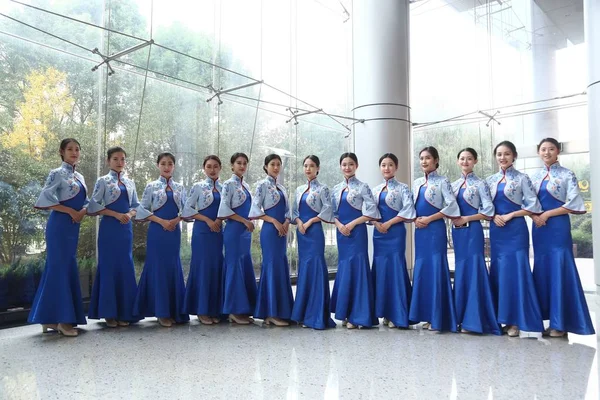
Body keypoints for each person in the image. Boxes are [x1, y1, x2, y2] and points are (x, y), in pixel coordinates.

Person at [530, 137, 595, 337]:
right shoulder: (534, 176)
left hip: (557, 226)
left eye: (551, 149)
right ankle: (545, 319)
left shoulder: (567, 174)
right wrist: (534, 215)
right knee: (543, 269)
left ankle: (560, 323)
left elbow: (574, 202)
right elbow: (526, 201)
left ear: (558, 151)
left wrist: (547, 214)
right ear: (538, 152)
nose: (547, 153)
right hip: (539, 228)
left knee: (560, 266)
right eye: (543, 149)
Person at [29, 138, 88, 337]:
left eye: (77, 149)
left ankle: (49, 319)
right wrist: (71, 212)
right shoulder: (56, 173)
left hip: (73, 227)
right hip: (60, 226)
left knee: (61, 268)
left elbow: (87, 201)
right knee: (60, 268)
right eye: (70, 149)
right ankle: (63, 321)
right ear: (61, 152)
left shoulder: (79, 176)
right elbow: (45, 198)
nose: (74, 152)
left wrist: (83, 211)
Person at [486, 140, 543, 337]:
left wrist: (511, 215)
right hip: (497, 231)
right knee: (500, 273)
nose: (503, 157)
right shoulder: (490, 180)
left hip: (516, 230)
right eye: (499, 154)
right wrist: (493, 216)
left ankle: (516, 321)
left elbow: (533, 205)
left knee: (516, 272)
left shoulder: (522, 178)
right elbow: (484, 206)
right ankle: (502, 318)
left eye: (507, 154)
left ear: (514, 156)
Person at [134, 152, 189, 327]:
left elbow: (187, 210)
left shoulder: (180, 187)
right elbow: (142, 210)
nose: (167, 167)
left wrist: (176, 220)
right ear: (158, 165)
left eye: (170, 164)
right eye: (163, 163)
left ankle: (174, 310)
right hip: (157, 232)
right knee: (157, 266)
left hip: (174, 232)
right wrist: (162, 221)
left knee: (173, 266)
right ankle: (161, 312)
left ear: (174, 166)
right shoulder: (151, 186)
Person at [87, 147, 140, 328]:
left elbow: (136, 206)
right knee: (109, 266)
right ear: (108, 161)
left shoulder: (130, 182)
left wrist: (130, 214)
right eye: (116, 159)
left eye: (123, 159)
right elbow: (93, 206)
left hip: (126, 229)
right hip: (109, 229)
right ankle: (109, 313)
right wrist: (116, 215)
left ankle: (125, 312)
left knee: (125, 266)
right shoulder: (103, 181)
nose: (119, 162)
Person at [451, 148, 500, 335]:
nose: (465, 161)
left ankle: (475, 320)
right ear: (458, 161)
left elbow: (488, 211)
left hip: (473, 230)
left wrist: (466, 218)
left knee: (474, 269)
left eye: (469, 159)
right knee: (462, 270)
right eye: (462, 158)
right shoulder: (452, 185)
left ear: (475, 161)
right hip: (457, 232)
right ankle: (459, 317)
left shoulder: (481, 184)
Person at [410, 146, 459, 332]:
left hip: (435, 229)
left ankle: (438, 317)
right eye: (421, 158)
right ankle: (425, 314)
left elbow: (452, 206)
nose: (424, 161)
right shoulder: (416, 183)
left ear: (436, 160)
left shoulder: (443, 182)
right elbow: (409, 207)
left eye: (428, 158)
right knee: (423, 269)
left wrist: (429, 219)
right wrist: (415, 218)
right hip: (420, 231)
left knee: (436, 267)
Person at [330, 152, 380, 329]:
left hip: (357, 232)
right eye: (344, 164)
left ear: (356, 166)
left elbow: (371, 211)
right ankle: (344, 312)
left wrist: (351, 224)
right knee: (345, 268)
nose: (347, 167)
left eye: (351, 164)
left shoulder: (363, 187)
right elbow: (331, 213)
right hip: (341, 233)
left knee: (357, 267)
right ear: (340, 166)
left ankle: (358, 315)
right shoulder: (335, 189)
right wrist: (339, 225)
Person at [290, 155, 336, 329]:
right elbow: (293, 211)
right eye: (305, 166)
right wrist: (300, 222)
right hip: (302, 233)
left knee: (316, 266)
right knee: (304, 268)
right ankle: (302, 314)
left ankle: (316, 315)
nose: (308, 169)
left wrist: (309, 222)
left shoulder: (323, 189)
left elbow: (327, 209)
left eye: (312, 166)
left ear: (318, 168)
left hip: (315, 232)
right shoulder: (299, 189)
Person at [371, 153, 416, 328]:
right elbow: (368, 210)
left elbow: (408, 209)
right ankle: (383, 312)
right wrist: (376, 223)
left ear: (396, 168)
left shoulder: (403, 188)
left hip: (395, 232)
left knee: (396, 268)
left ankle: (397, 313)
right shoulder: (374, 190)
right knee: (381, 270)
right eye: (383, 165)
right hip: (379, 234)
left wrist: (388, 223)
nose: (387, 168)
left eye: (390, 165)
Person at [249, 154, 294, 326]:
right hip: (269, 231)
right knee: (271, 267)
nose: (276, 167)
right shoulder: (262, 185)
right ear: (266, 166)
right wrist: (274, 221)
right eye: (272, 164)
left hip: (282, 232)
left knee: (280, 267)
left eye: (278, 164)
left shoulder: (281, 188)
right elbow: (254, 209)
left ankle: (281, 311)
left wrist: (286, 222)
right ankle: (271, 313)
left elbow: (288, 211)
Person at [182, 155, 224, 325]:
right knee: (203, 268)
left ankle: (214, 309)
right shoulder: (198, 187)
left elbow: (229, 207)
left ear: (220, 168)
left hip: (218, 232)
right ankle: (201, 310)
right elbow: (187, 209)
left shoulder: (225, 187)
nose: (212, 169)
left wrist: (219, 221)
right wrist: (208, 220)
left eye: (215, 166)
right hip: (202, 232)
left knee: (216, 268)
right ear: (204, 169)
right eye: (209, 166)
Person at [217, 153, 257, 325]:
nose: (242, 166)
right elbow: (223, 209)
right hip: (234, 231)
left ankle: (244, 308)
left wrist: (251, 221)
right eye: (238, 163)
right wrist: (244, 221)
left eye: (244, 163)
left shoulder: (246, 185)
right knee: (234, 267)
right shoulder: (228, 184)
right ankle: (233, 310)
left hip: (245, 232)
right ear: (232, 166)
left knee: (242, 266)